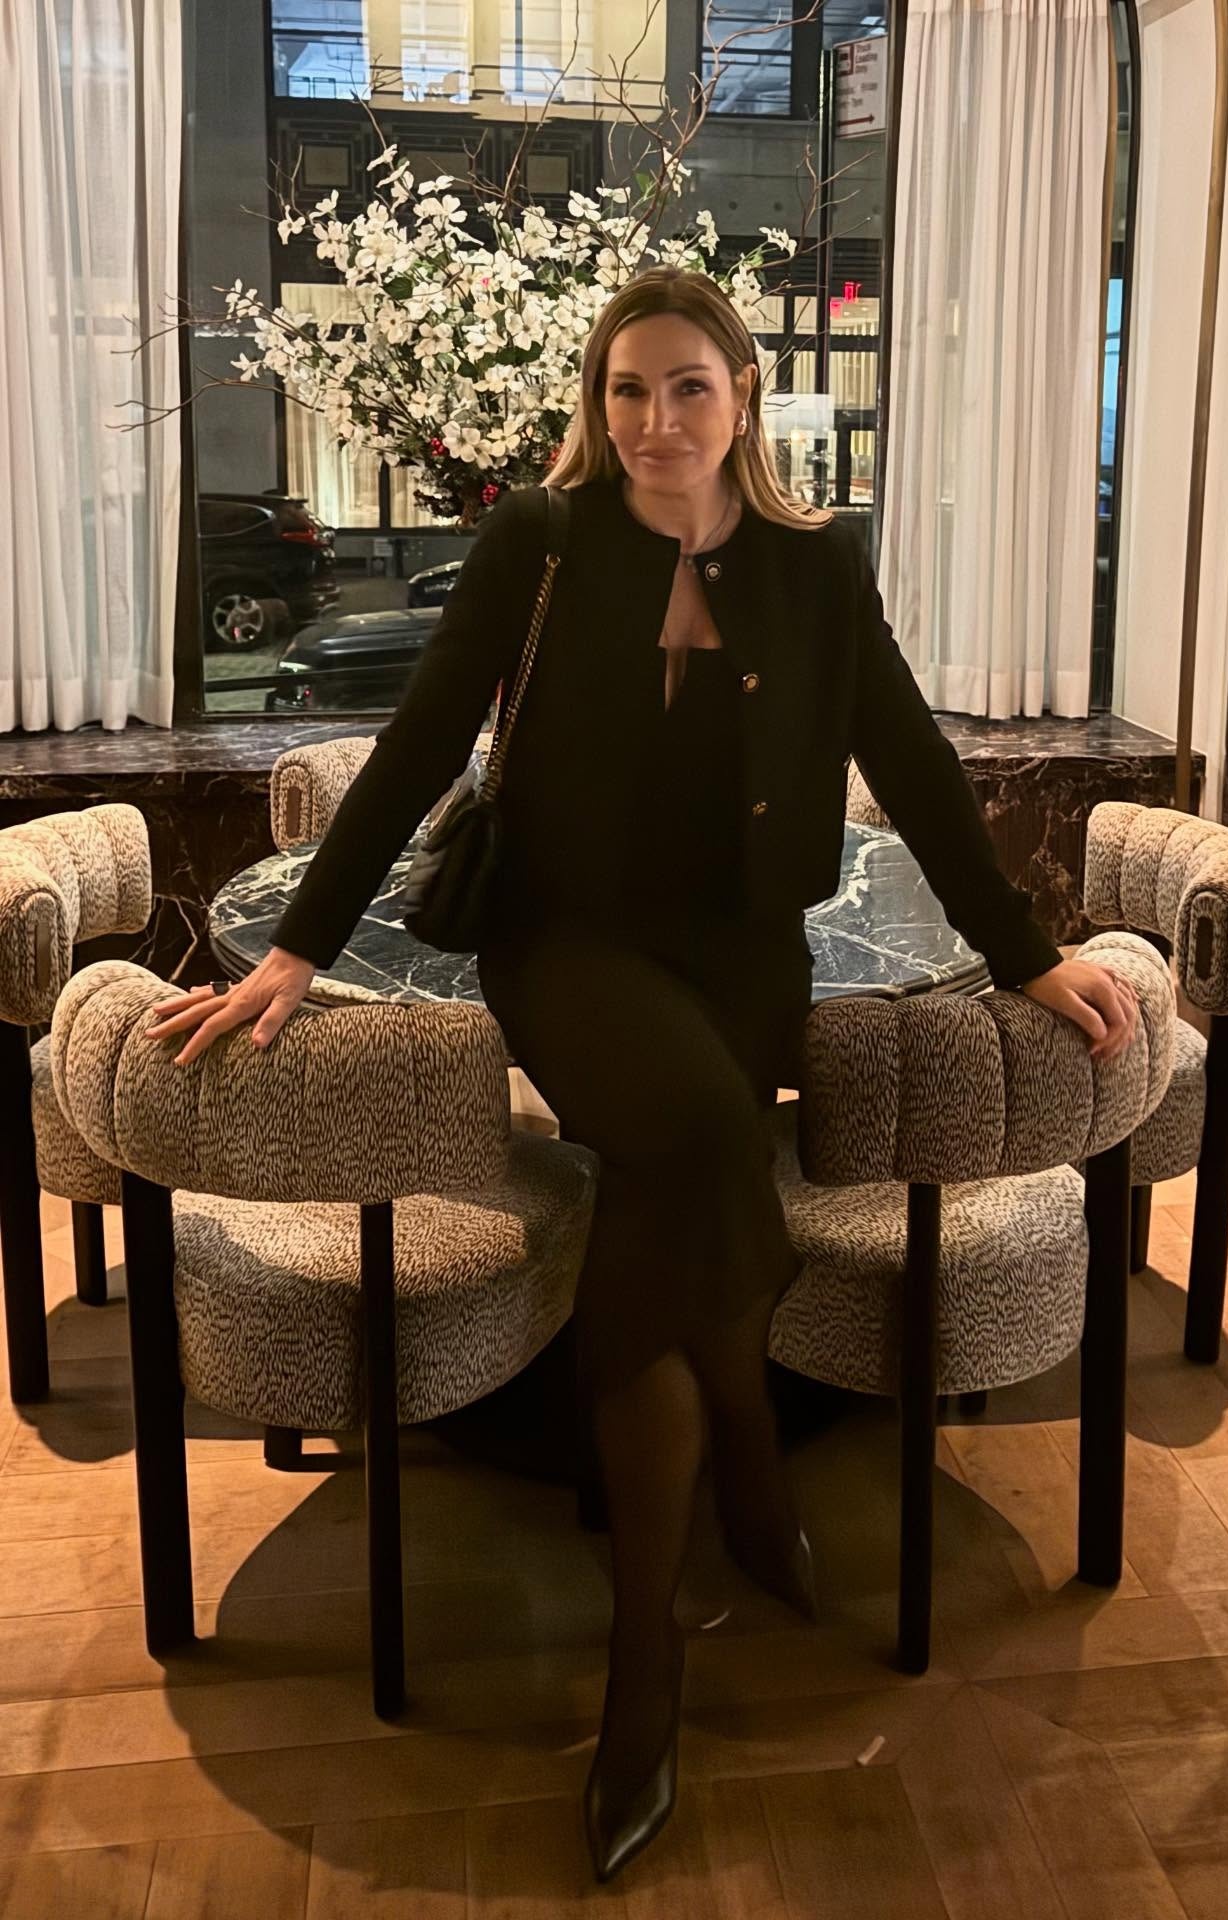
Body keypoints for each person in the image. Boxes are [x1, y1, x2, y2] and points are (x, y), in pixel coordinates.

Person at [145, 265, 1140, 1883]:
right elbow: (420, 744)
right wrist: (298, 950)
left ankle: (732, 1455)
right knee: (697, 1144)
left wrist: (1024, 951)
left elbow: (907, 758)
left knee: (676, 1198)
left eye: (687, 386)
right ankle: (653, 1646)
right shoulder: (541, 545)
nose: (655, 419)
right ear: (595, 407)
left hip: (744, 963)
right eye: (627, 390)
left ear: (742, 397)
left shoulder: (817, 566)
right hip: (567, 947)